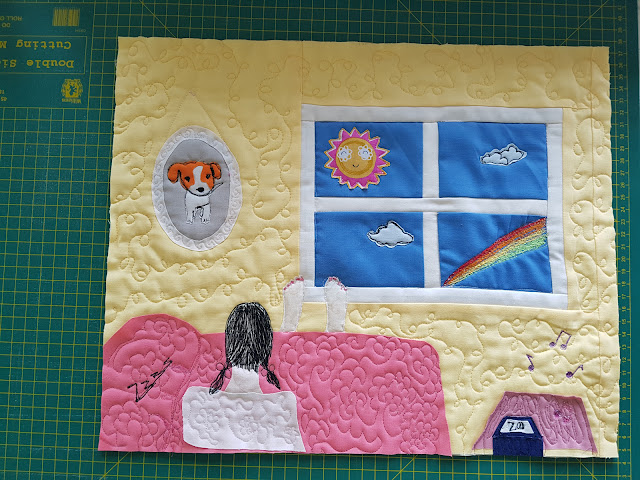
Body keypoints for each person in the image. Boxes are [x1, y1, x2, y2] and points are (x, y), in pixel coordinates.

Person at [182, 302, 305, 452]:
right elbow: (294, 445)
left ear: (229, 343)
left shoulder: (194, 399)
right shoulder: (284, 403)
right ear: (267, 346)